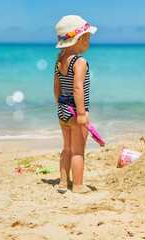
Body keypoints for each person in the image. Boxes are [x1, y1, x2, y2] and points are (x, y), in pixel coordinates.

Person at [53, 15, 97, 193]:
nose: (89, 42)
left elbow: (57, 89)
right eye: (88, 38)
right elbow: (78, 89)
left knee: (67, 148)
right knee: (78, 150)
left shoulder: (59, 62)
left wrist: (61, 107)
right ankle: (78, 185)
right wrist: (81, 113)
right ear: (79, 39)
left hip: (63, 110)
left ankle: (64, 182)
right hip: (76, 111)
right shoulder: (80, 62)